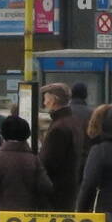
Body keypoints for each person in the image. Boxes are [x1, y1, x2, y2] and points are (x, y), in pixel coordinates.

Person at [0, 115, 52, 211]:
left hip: (3, 216)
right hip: (29, 216)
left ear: (3, 134)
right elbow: (46, 186)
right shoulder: (33, 159)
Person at [38, 82, 84, 211]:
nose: (44, 102)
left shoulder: (58, 128)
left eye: (46, 98)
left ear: (54, 100)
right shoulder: (73, 122)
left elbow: (48, 161)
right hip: (69, 190)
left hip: (56, 192)